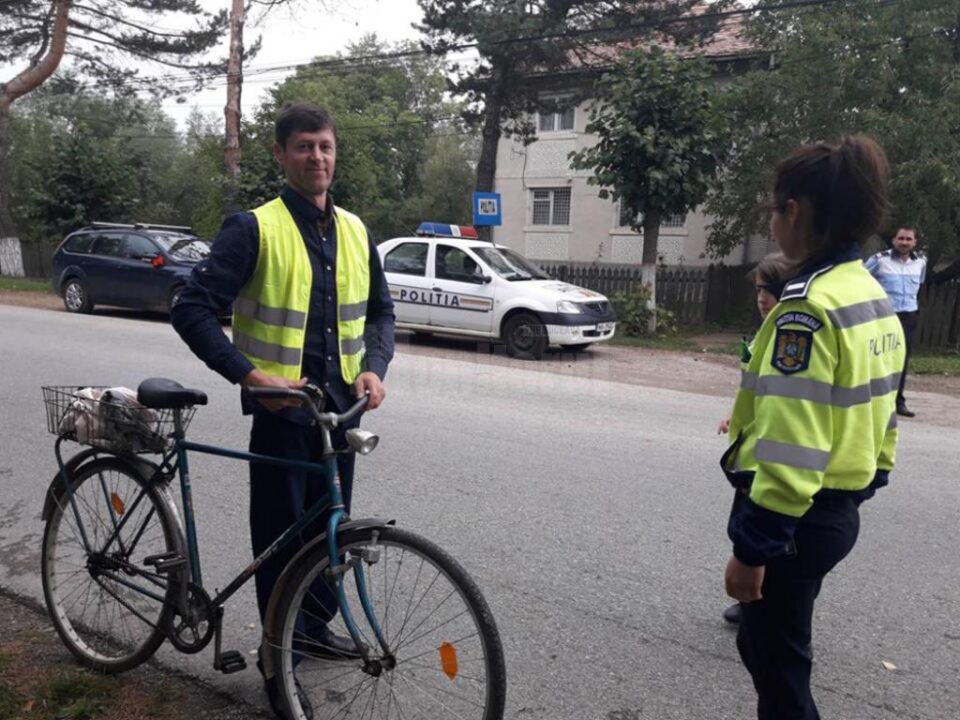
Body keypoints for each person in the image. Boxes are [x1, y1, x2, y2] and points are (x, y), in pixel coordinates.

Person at [171, 103, 395, 718]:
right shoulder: (254, 228)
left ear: (335, 152)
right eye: (303, 146)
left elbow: (381, 313)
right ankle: (277, 662)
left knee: (329, 536)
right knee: (281, 541)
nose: (316, 157)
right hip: (282, 415)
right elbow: (190, 308)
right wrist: (250, 377)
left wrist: (375, 366)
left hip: (340, 415)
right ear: (281, 153)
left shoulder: (356, 231)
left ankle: (313, 630)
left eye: (325, 146)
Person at [719, 135, 905, 720]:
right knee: (774, 649)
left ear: (794, 212)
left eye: (774, 209)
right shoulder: (870, 295)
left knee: (779, 674)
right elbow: (883, 410)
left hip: (797, 520)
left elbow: (791, 446)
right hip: (837, 510)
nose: (773, 221)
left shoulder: (806, 309)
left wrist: (754, 548)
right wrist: (867, 480)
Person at [717, 252, 795, 625]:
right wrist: (736, 416)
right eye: (759, 290)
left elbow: (788, 403)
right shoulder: (767, 330)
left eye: (770, 289)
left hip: (771, 456)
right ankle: (752, 602)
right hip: (751, 450)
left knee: (765, 534)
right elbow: (757, 390)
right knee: (746, 527)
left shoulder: (789, 333)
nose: (762, 298)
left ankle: (764, 606)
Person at [864, 226, 927, 417]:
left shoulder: (921, 263)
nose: (904, 242)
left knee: (901, 359)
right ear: (893, 240)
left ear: (914, 242)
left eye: (908, 239)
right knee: (878, 357)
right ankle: (871, 399)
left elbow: (920, 285)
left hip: (908, 317)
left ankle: (898, 402)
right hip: (884, 316)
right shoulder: (879, 261)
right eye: (901, 238)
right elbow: (861, 281)